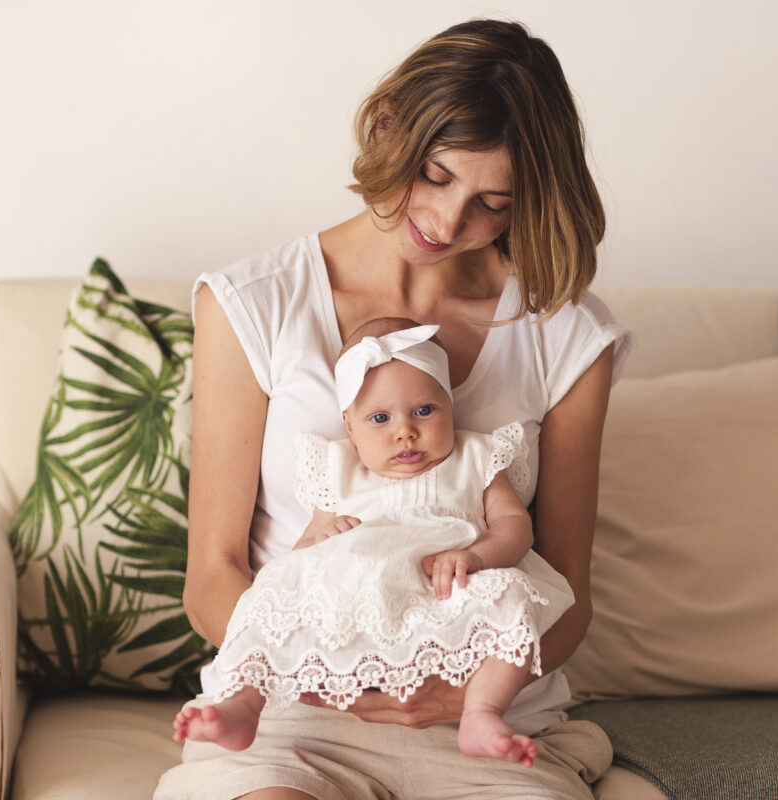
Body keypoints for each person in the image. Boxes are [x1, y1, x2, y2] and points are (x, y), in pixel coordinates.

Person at [156, 17, 635, 800]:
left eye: (493, 202)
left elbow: (569, 589)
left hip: (482, 717)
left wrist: (461, 695)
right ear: (388, 129)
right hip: (295, 714)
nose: (450, 224)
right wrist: (333, 674)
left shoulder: (567, 336)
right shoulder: (256, 303)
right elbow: (213, 575)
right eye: (438, 175)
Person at [173, 319, 576, 769]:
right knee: (273, 594)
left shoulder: (476, 458)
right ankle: (243, 706)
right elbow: (307, 545)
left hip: (446, 588)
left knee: (513, 601)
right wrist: (319, 541)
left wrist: (477, 557)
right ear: (349, 426)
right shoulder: (339, 470)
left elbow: (514, 527)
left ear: (450, 404)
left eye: (424, 410)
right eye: (380, 419)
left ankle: (481, 712)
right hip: (354, 594)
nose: (405, 431)